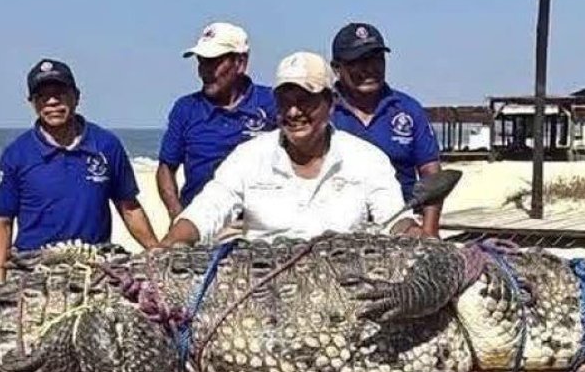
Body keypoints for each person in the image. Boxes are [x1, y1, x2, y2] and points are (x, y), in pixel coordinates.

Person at [0, 58, 161, 372]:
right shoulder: (17, 155)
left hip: (95, 270)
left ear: (75, 96)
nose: (52, 100)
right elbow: (1, 223)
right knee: (45, 371)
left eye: (59, 92)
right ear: (32, 102)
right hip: (36, 274)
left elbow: (129, 207)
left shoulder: (105, 146)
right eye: (43, 94)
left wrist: (160, 253)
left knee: (107, 357)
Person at [161, 51, 419, 246]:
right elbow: (207, 210)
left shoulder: (367, 159)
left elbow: (393, 218)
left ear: (330, 104)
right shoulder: (248, 157)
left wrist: (414, 233)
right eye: (285, 102)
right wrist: (173, 241)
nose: (294, 112)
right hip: (260, 284)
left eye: (305, 101)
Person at [328, 23, 444, 237]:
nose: (369, 68)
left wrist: (429, 232)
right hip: (338, 225)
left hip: (401, 222)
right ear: (337, 68)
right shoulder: (323, 112)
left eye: (376, 59)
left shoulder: (408, 110)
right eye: (358, 62)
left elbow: (431, 174)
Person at [156, 22, 277, 222]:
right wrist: (177, 215)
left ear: (240, 62)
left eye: (213, 62)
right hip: (202, 225)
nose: (204, 70)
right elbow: (166, 168)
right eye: (201, 62)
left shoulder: (272, 102)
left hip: (259, 227)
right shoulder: (186, 109)